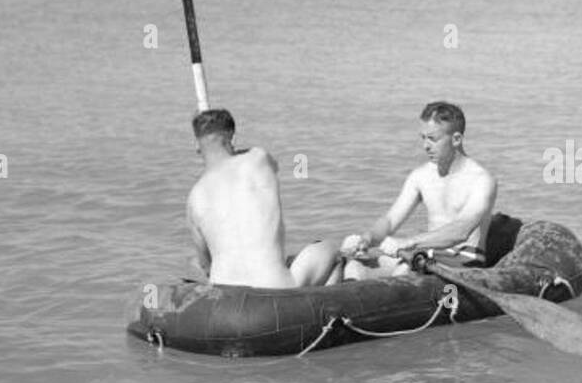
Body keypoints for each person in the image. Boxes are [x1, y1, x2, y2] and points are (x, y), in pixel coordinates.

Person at [186, 108, 344, 288]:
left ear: (197, 146)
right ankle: (322, 308)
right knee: (330, 250)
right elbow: (274, 166)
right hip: (275, 289)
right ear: (233, 139)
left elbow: (206, 265)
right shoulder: (258, 158)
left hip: (226, 296)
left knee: (196, 262)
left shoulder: (194, 198)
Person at [341, 102, 497, 280]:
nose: (425, 146)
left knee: (403, 271)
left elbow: (460, 231)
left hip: (463, 263)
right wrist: (368, 238)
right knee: (354, 268)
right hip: (426, 255)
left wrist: (408, 242)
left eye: (433, 139)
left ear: (456, 139)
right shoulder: (420, 176)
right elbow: (390, 221)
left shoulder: (482, 180)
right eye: (423, 138)